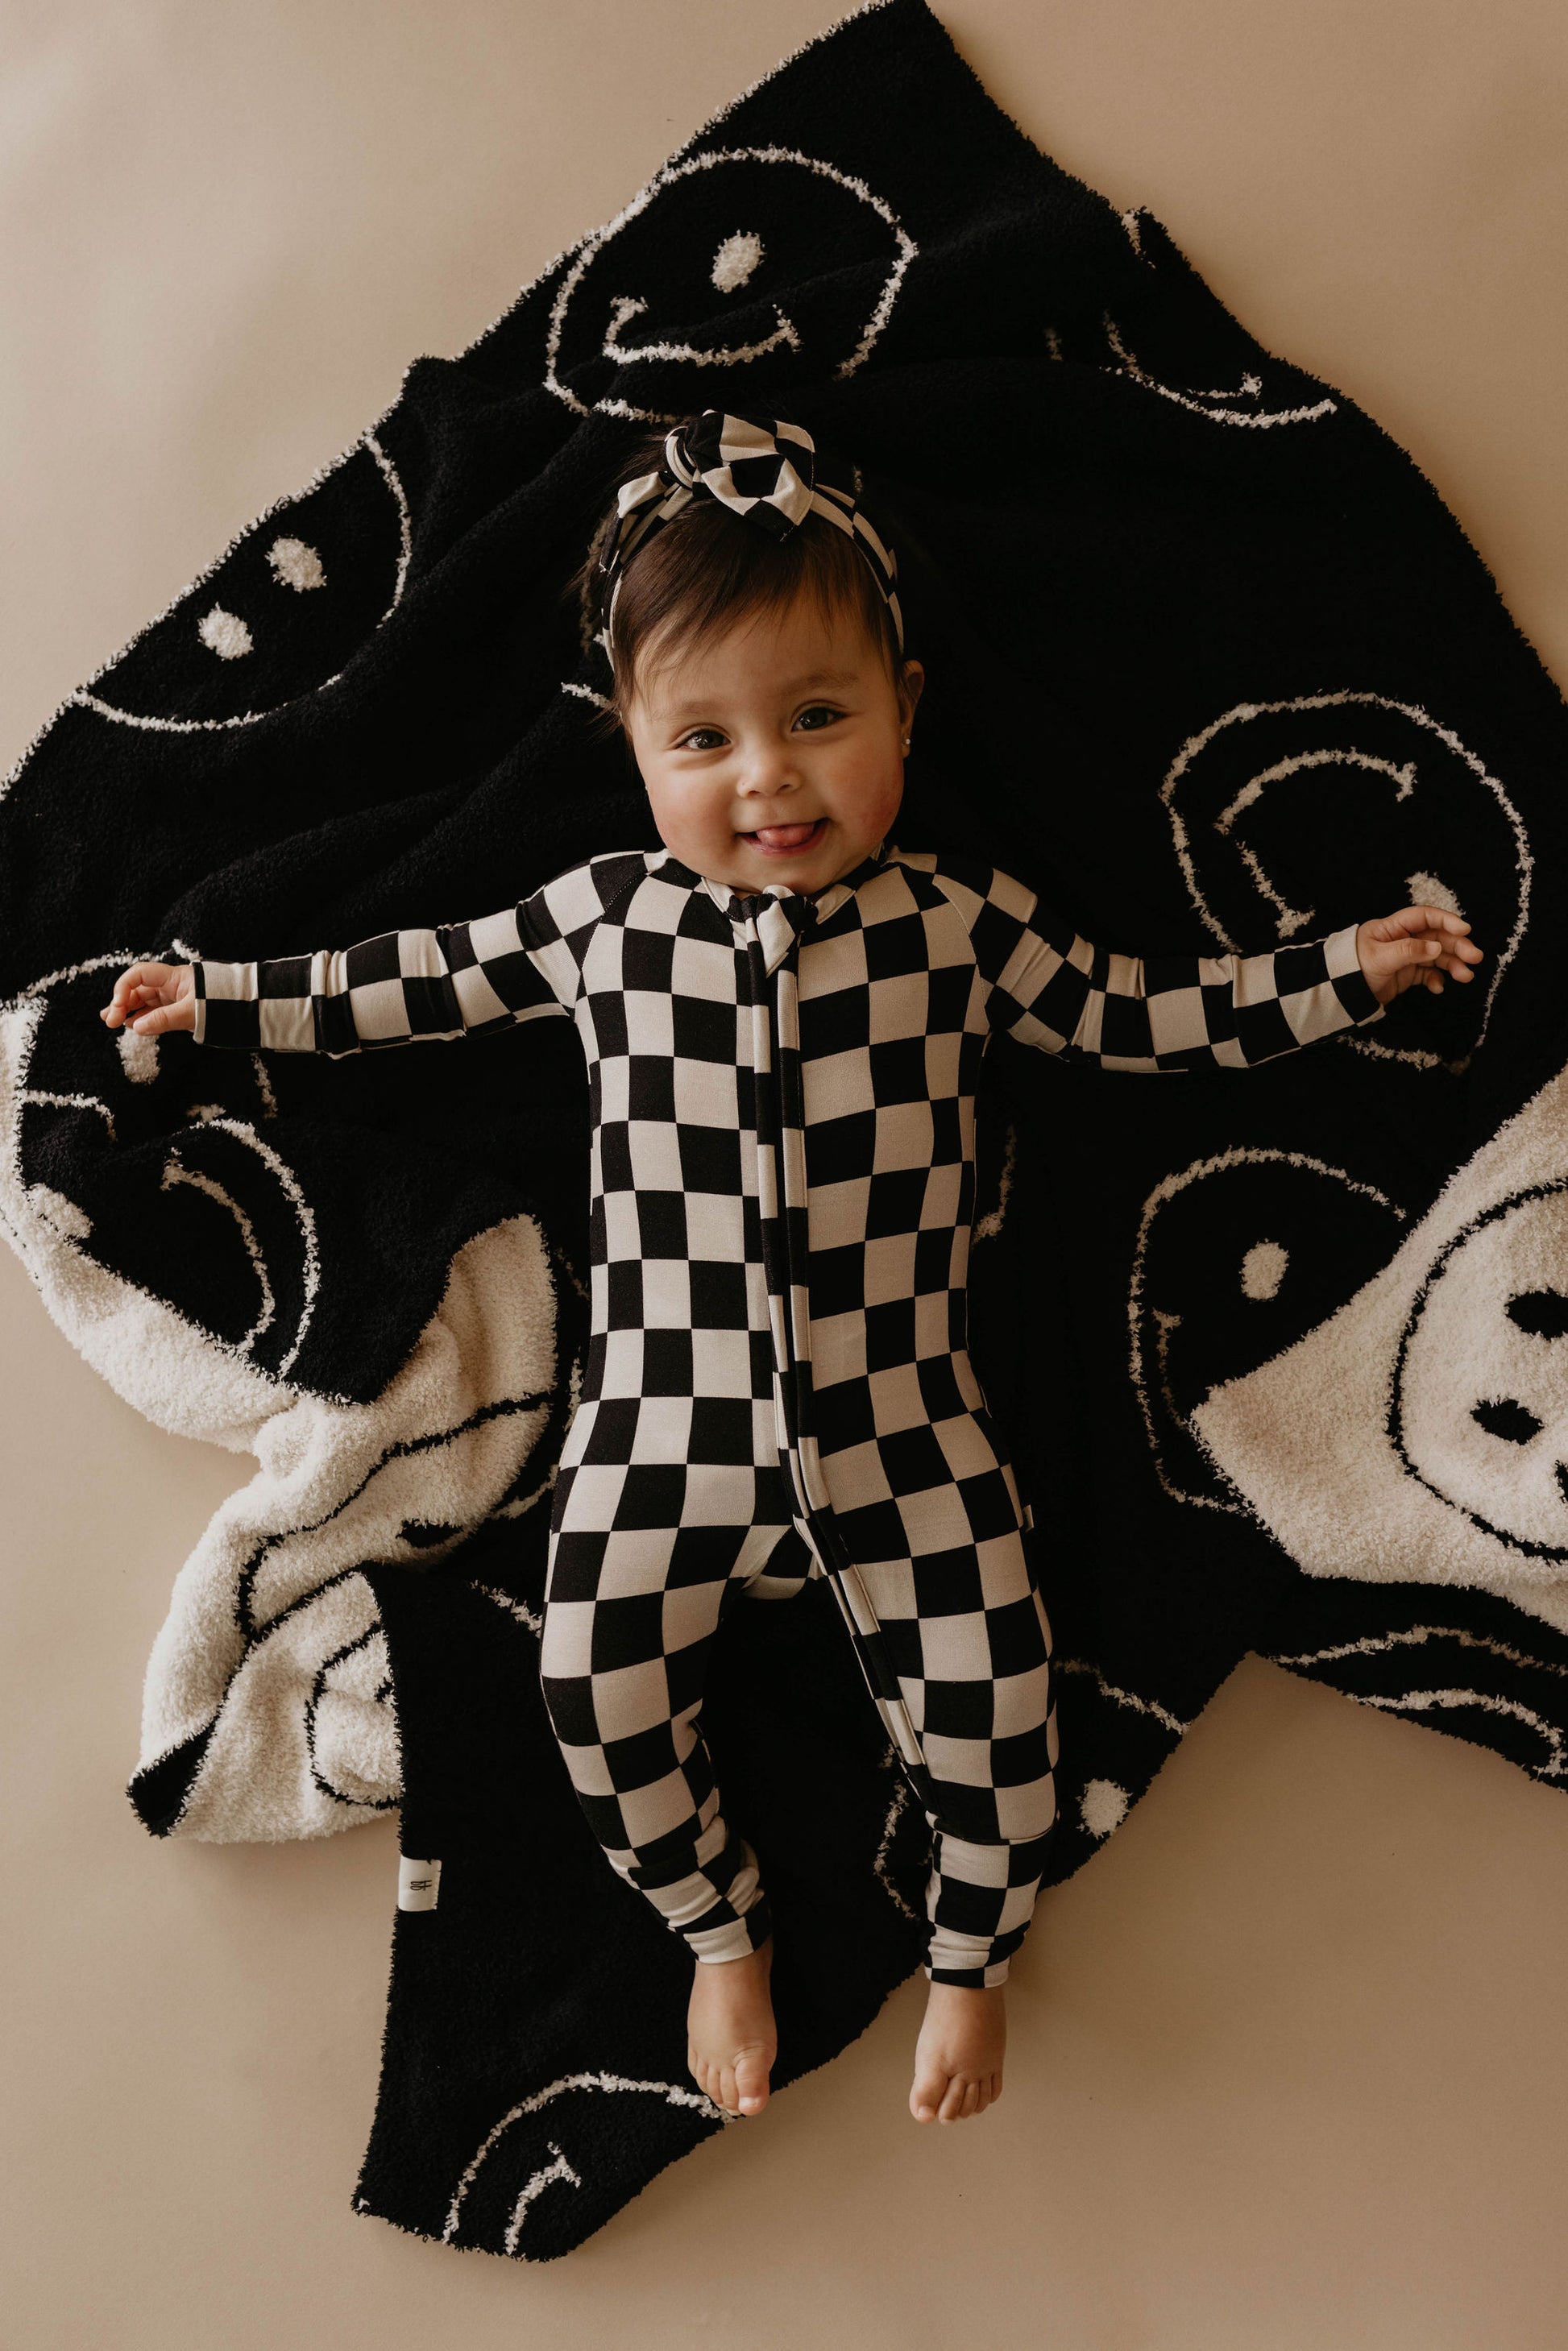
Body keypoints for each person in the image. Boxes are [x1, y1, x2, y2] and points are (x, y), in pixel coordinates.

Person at [100, 408, 1483, 2129]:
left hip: (904, 1430)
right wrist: (221, 997)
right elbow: (404, 983)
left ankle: (970, 1953)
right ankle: (715, 1925)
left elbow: (1144, 1017)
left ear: (904, 703)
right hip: (657, 1440)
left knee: (1000, 1702)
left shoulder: (958, 924)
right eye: (706, 737)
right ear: (630, 743)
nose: (768, 777)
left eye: (817, 718)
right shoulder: (600, 920)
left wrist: (1338, 969)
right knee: (585, 1685)